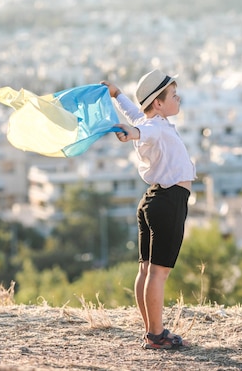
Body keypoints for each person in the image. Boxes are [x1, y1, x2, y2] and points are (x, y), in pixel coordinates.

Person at [101, 69, 196, 350]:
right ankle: (156, 335)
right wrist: (130, 134)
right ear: (158, 103)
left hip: (152, 200)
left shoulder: (154, 122)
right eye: (173, 95)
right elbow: (140, 129)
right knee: (158, 274)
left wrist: (117, 94)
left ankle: (152, 331)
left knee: (146, 271)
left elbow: (135, 117)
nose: (179, 98)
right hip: (168, 202)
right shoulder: (154, 128)